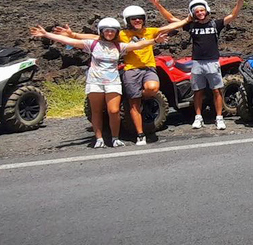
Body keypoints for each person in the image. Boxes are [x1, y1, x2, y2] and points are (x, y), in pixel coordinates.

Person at [54, 4, 172, 146]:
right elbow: (94, 37)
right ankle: (104, 138)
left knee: (116, 109)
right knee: (100, 110)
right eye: (133, 19)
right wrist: (73, 35)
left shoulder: (130, 40)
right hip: (106, 78)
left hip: (123, 76)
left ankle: (116, 137)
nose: (137, 20)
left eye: (139, 18)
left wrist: (186, 17)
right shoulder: (118, 36)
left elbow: (142, 43)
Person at [30, 18, 158, 148]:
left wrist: (155, 41)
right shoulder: (92, 44)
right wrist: (46, 34)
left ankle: (115, 138)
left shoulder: (119, 46)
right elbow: (70, 41)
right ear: (101, 32)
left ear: (116, 32)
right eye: (106, 31)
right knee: (96, 111)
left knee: (113, 111)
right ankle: (99, 139)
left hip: (113, 82)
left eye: (112, 31)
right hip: (95, 82)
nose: (109, 33)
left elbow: (138, 45)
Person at [184, 0, 247, 130]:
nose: (200, 13)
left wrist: (240, 1)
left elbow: (233, 15)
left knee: (217, 90)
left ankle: (219, 118)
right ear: (193, 13)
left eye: (202, 10)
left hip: (212, 62)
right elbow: (172, 20)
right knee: (197, 91)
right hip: (197, 63)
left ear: (206, 11)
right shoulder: (191, 26)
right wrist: (158, 5)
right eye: (197, 11)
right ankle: (198, 117)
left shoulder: (215, 24)